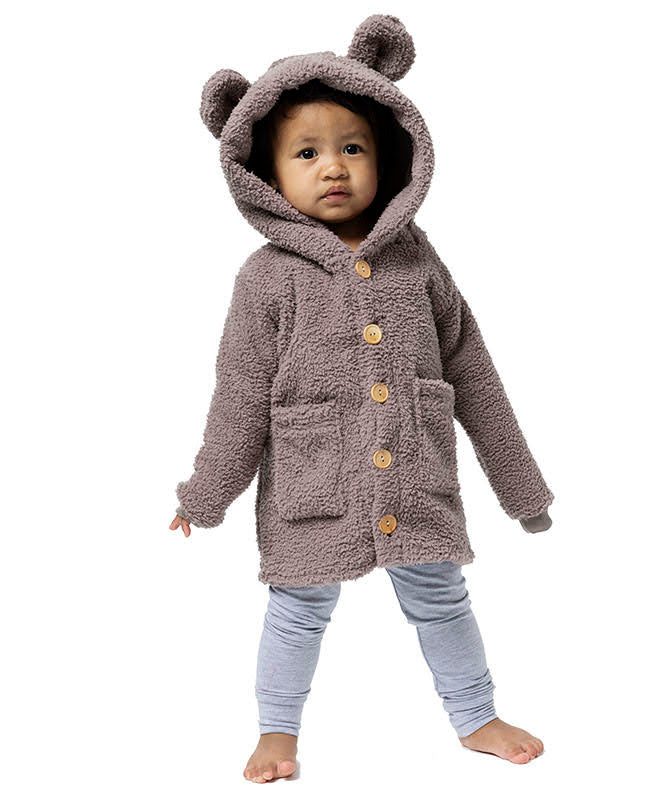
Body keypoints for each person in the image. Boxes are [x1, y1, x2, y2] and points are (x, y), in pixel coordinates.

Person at [169, 14, 555, 783]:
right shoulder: (266, 279)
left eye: (353, 148)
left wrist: (524, 491)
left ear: (391, 155)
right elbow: (239, 397)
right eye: (306, 153)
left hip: (414, 480)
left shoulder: (419, 264)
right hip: (311, 488)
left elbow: (475, 375)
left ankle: (475, 715)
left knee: (443, 600)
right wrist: (205, 496)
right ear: (265, 175)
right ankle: (277, 732)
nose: (333, 168)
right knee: (296, 609)